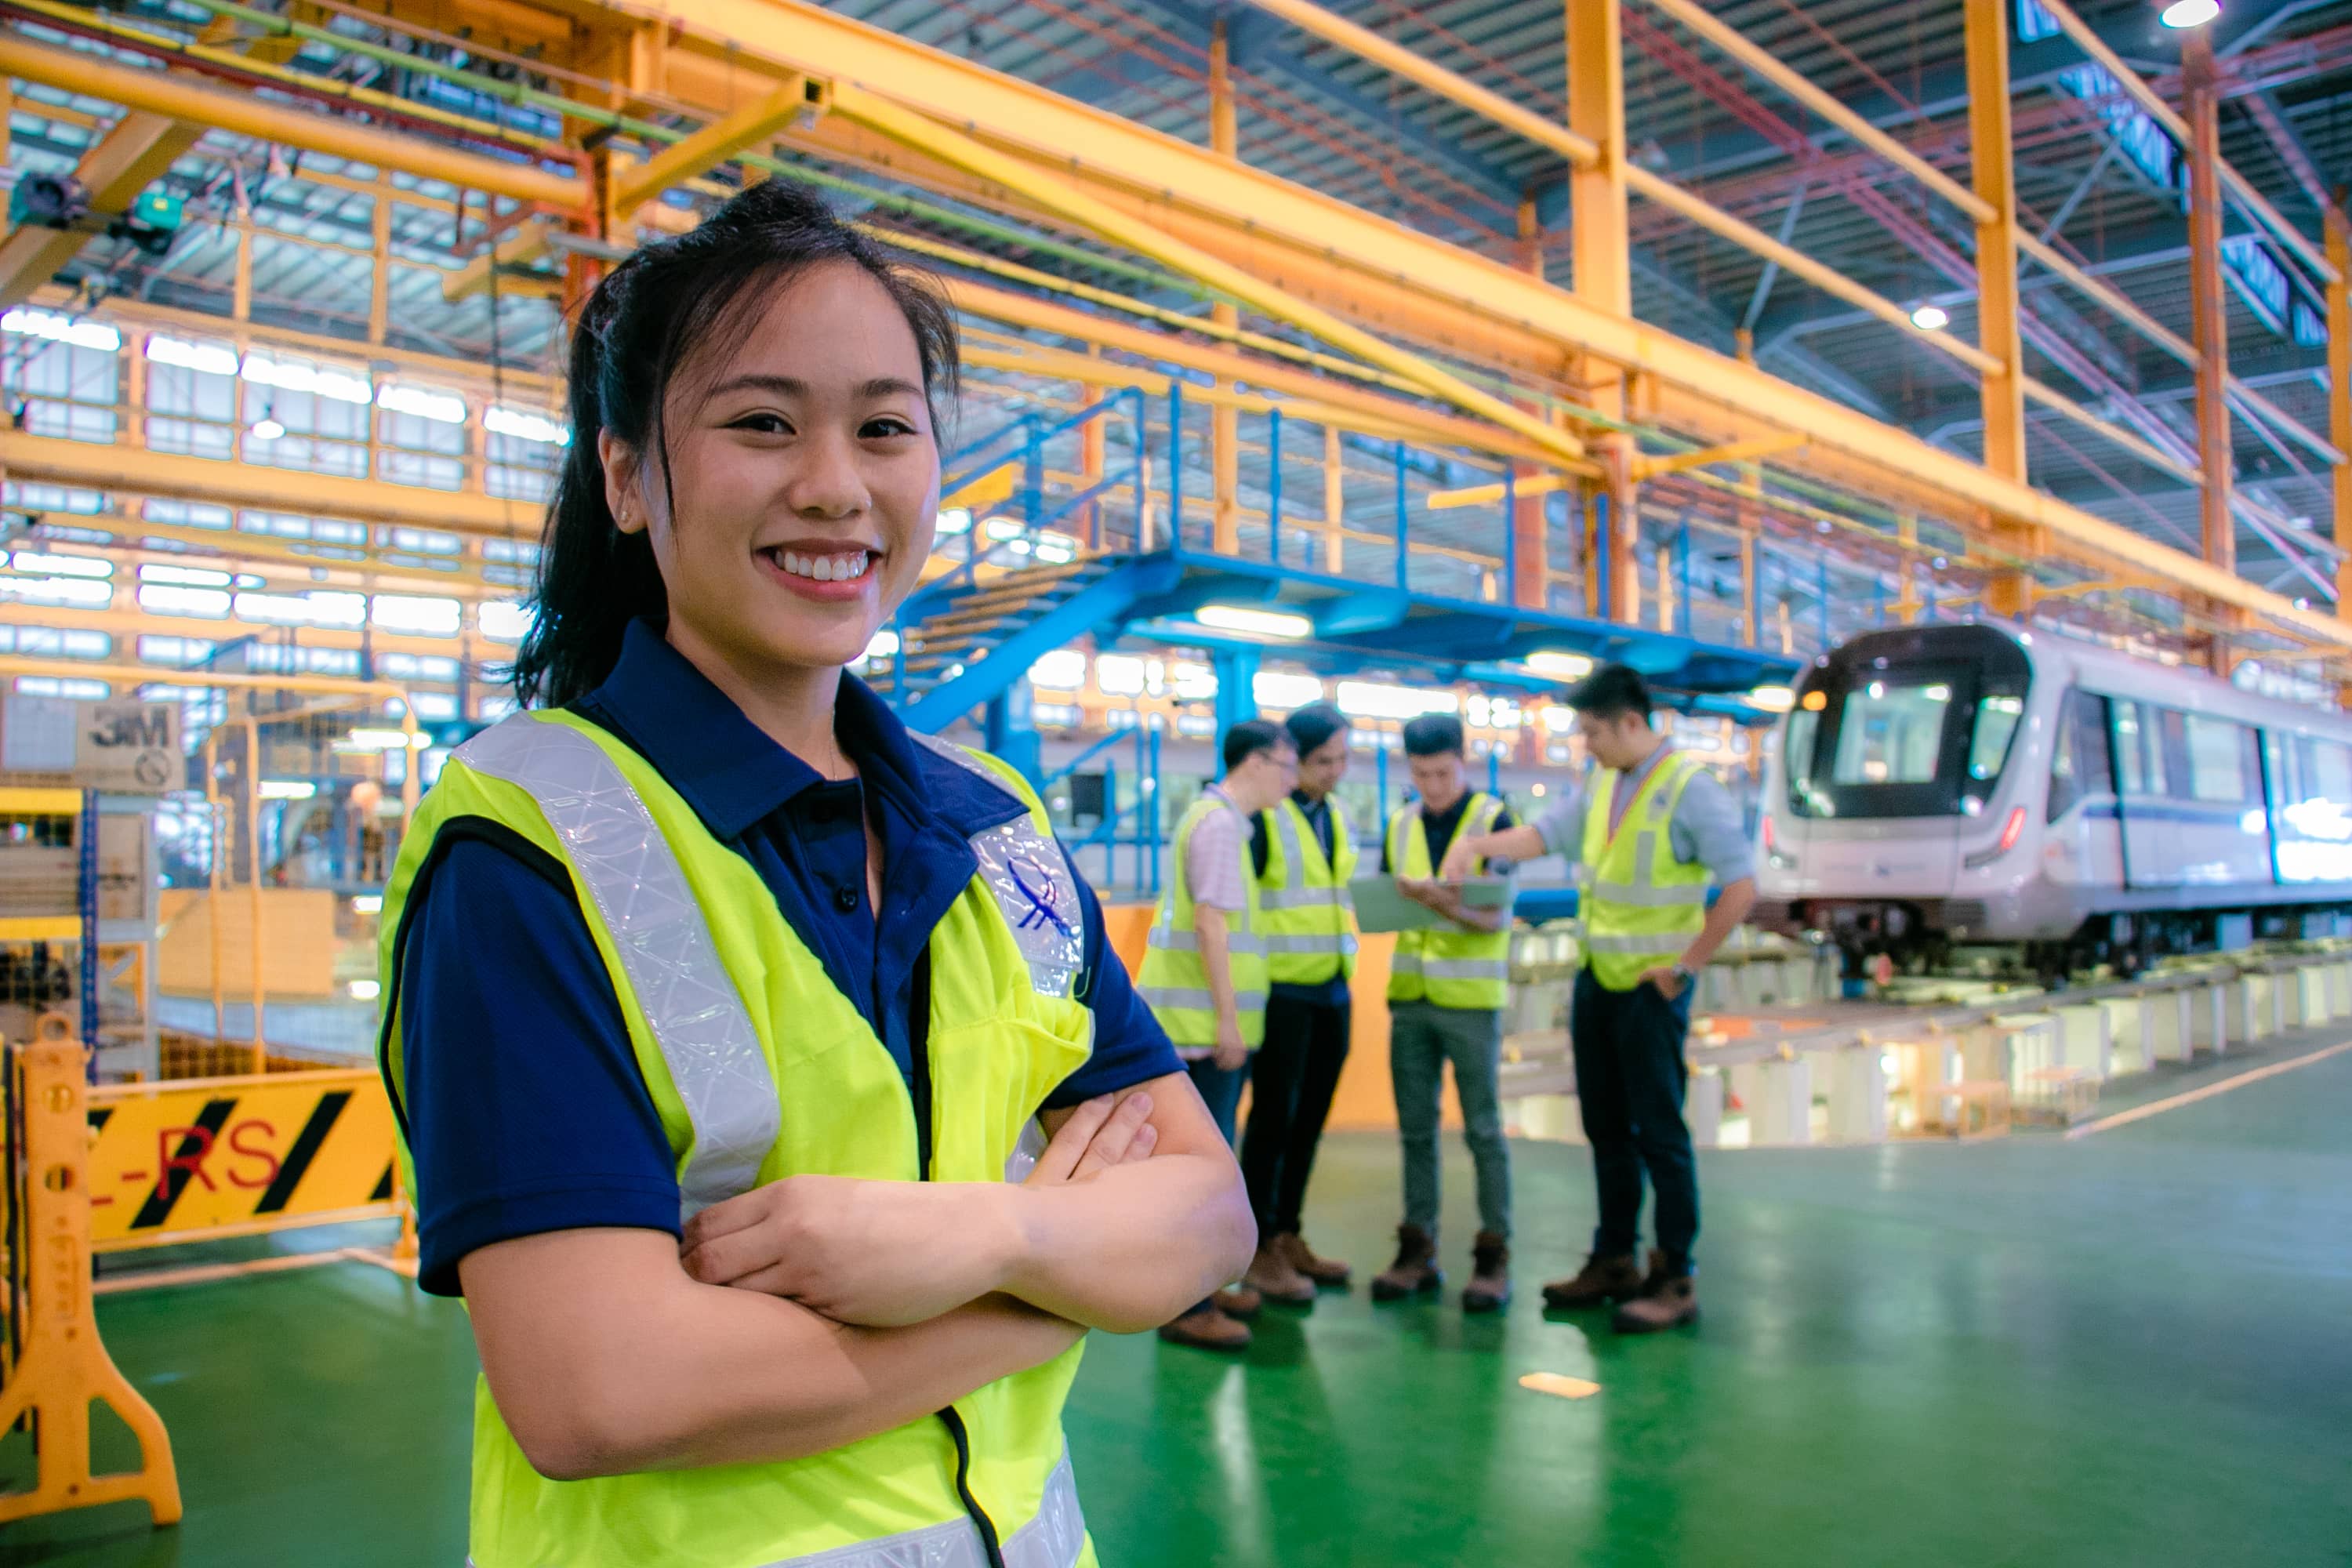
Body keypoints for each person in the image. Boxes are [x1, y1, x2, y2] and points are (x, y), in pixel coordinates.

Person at [374, 180, 1254, 1568]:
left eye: (886, 427)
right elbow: (601, 1388)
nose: (837, 485)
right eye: (763, 422)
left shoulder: (992, 829)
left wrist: (979, 1234)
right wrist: (1071, 1277)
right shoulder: (528, 853)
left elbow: (1209, 1214)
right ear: (623, 475)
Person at [1443, 662, 1755, 1333]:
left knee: (1660, 1135)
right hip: (1598, 983)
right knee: (1607, 1131)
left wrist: (1686, 966)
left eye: (1592, 733)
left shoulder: (1690, 791)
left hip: (1651, 991)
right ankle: (1614, 1258)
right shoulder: (1604, 785)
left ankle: (1674, 1274)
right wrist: (1476, 846)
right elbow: (1543, 836)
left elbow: (1741, 887)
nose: (1586, 746)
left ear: (1631, 723)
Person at [1140, 717, 1296, 1349]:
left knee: (1211, 1162)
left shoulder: (1225, 821)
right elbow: (1211, 927)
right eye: (1287, 766)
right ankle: (1187, 1303)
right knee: (1202, 1172)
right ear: (1256, 762)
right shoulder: (1220, 825)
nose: (1292, 780)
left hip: (1201, 1023)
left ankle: (1204, 1286)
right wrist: (1229, 1021)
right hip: (1198, 1027)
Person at [1369, 713, 1518, 1312]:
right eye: (1422, 774)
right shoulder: (1400, 821)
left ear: (1465, 760)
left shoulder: (1495, 822)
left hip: (1471, 1004)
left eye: (1444, 772)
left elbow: (1497, 916)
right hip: (1410, 999)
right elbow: (1382, 907)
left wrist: (1433, 899)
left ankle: (1493, 1252)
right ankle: (1417, 1248)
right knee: (1415, 1132)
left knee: (1483, 1130)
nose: (1433, 786)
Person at [1236, 702, 1359, 1304]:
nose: (1335, 772)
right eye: (1322, 762)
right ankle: (1257, 1247)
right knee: (1273, 1124)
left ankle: (1288, 1234)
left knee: (1309, 1122)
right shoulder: (1265, 819)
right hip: (1282, 993)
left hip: (1333, 991)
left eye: (1342, 759)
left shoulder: (1333, 816)